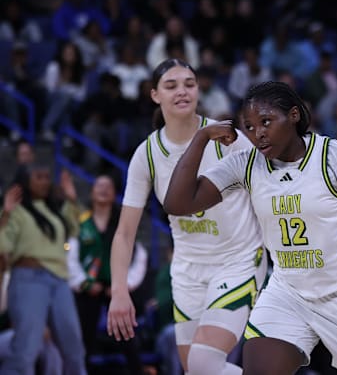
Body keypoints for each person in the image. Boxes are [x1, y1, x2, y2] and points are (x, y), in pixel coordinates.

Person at [163, 81, 337, 375]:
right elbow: (177, 203)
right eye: (250, 127)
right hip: (288, 293)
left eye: (266, 121)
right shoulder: (245, 164)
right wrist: (202, 137)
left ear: (294, 115)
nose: (258, 134)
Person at [107, 58, 267, 375]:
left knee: (204, 362)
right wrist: (119, 291)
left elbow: (269, 193)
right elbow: (125, 233)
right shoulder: (148, 153)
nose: (182, 91)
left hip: (237, 260)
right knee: (196, 371)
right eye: (171, 85)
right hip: (188, 270)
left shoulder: (228, 140)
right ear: (155, 95)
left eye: (189, 84)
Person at [0, 166, 87, 374]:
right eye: (39, 177)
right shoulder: (16, 211)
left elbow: (74, 230)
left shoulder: (53, 211)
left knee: (74, 348)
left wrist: (71, 199)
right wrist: (6, 214)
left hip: (59, 280)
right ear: (25, 181)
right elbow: (3, 247)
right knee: (26, 350)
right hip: (28, 279)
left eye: (48, 177)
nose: (45, 181)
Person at [67, 175, 149, 373]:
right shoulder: (82, 222)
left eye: (108, 186)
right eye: (99, 186)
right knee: (82, 338)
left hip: (117, 289)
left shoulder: (122, 221)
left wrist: (125, 285)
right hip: (89, 289)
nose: (103, 190)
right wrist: (84, 283)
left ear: (114, 194)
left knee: (126, 336)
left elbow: (139, 255)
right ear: (92, 192)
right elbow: (70, 256)